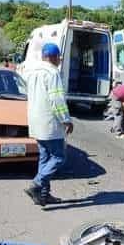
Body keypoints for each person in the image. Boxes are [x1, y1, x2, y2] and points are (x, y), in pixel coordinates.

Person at [21, 43, 74, 206]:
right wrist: (66, 119)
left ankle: (43, 195)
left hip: (35, 121)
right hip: (49, 123)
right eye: (59, 57)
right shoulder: (52, 73)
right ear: (53, 56)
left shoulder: (30, 71)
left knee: (45, 158)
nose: (59, 61)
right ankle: (37, 184)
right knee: (58, 157)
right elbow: (56, 99)